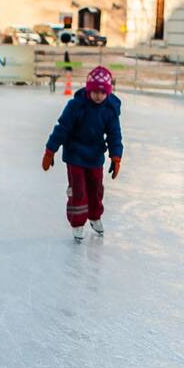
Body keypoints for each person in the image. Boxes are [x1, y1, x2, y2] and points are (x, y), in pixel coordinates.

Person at [41, 66, 123, 242]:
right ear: (88, 89)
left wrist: (116, 156)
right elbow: (62, 128)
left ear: (108, 92)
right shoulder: (76, 106)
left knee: (96, 189)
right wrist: (50, 150)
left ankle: (94, 216)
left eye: (102, 92)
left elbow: (114, 135)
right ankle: (78, 223)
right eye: (95, 91)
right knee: (78, 190)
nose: (99, 96)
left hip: (95, 156)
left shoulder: (109, 109)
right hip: (75, 154)